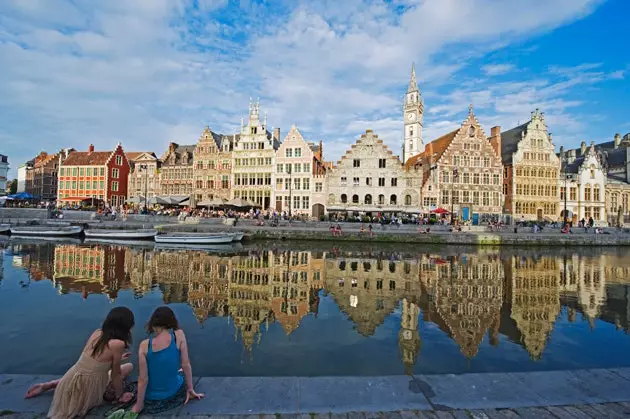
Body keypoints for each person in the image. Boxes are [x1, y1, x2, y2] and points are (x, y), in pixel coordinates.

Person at [25, 307, 135, 418]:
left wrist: (117, 358)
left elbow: (91, 363)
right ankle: (54, 385)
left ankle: (52, 384)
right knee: (128, 367)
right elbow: (116, 375)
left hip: (69, 379)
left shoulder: (97, 333)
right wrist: (120, 395)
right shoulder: (118, 344)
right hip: (88, 388)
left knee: (122, 367)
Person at [132, 307, 204, 414]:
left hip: (152, 398)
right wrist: (190, 389)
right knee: (180, 372)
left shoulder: (145, 345)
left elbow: (143, 379)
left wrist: (138, 405)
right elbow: (186, 364)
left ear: (153, 323)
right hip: (173, 393)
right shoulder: (178, 335)